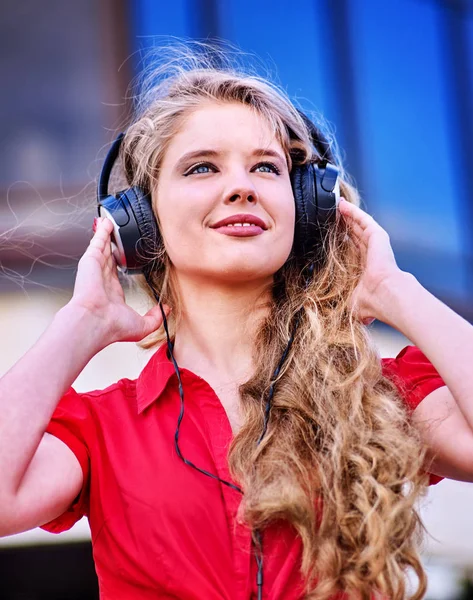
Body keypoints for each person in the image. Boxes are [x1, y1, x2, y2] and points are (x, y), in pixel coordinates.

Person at [1, 44, 473, 600]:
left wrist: (396, 292)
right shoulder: (101, 429)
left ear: (307, 208)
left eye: (266, 167)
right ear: (140, 220)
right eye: (203, 166)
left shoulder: (379, 394)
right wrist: (80, 323)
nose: (242, 186)